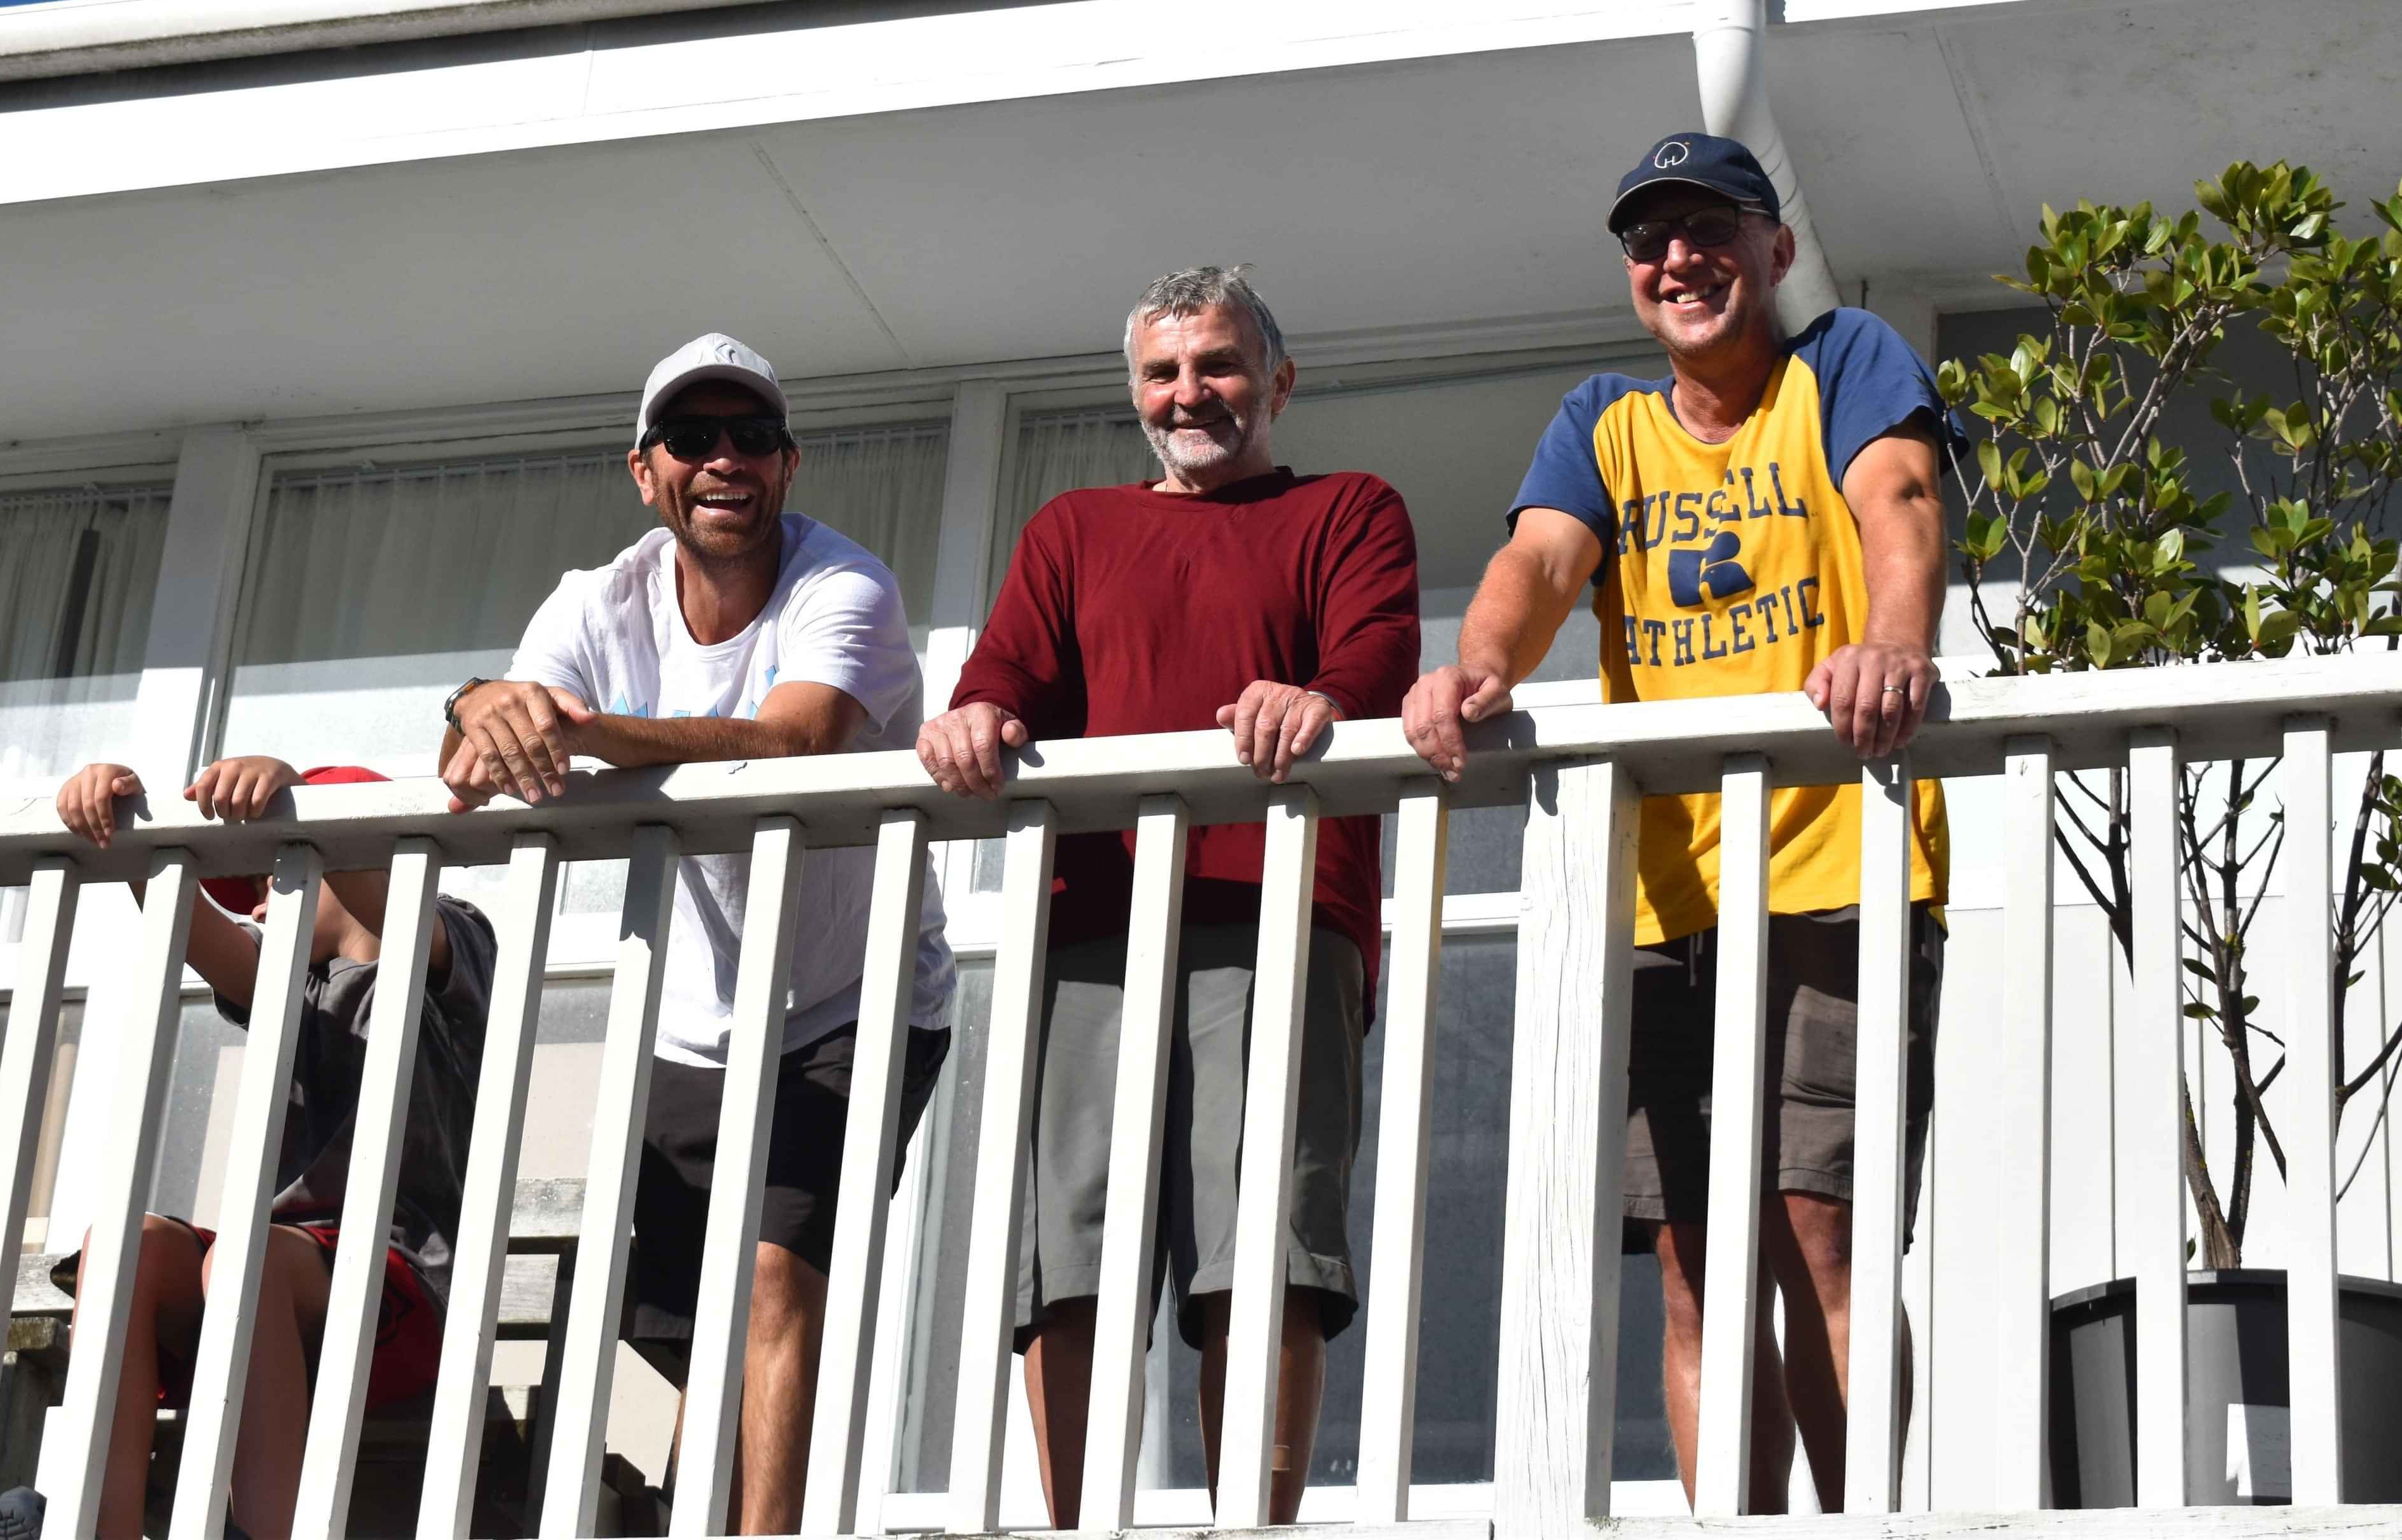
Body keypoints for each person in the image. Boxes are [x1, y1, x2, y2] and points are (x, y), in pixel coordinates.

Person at [1400, 132, 1953, 1513]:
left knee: (1822, 1236)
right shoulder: (1604, 422)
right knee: (1696, 1263)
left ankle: (1858, 1526)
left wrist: (1895, 644)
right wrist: (1479, 667)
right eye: (1652, 241)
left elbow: (1898, 497)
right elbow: (1539, 559)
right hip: (1662, 903)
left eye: (1712, 228)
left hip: (1837, 868)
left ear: (1777, 249)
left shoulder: (1844, 363)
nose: (1679, 259)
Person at [917, 266, 1419, 1527]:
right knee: (1072, 1253)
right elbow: (1004, 675)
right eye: (1163, 372)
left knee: (1262, 1246)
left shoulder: (1348, 508)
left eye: (1218, 364)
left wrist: (1323, 698)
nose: (1189, 392)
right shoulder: (1073, 529)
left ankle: (1251, 1523)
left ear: (1278, 381)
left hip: (1278, 909)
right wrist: (978, 715)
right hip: (1096, 916)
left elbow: (1373, 651)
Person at [439, 332, 954, 1537]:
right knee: (689, 1320)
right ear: (645, 471)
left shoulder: (845, 586)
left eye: (752, 436)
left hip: (853, 999)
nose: (725, 458)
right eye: (691, 437)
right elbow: (488, 753)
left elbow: (794, 739)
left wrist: (587, 731)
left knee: (774, 1278)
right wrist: (473, 702)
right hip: (686, 1019)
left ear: (787, 463)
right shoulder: (594, 602)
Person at [0, 756, 494, 1540]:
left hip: (400, 1293)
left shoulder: (448, 944)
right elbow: (192, 925)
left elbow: (386, 900)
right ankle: (101, 1523)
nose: (259, 901)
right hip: (263, 1295)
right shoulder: (290, 985)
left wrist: (302, 803)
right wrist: (120, 820)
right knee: (126, 1243)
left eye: (277, 877)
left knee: (246, 1258)